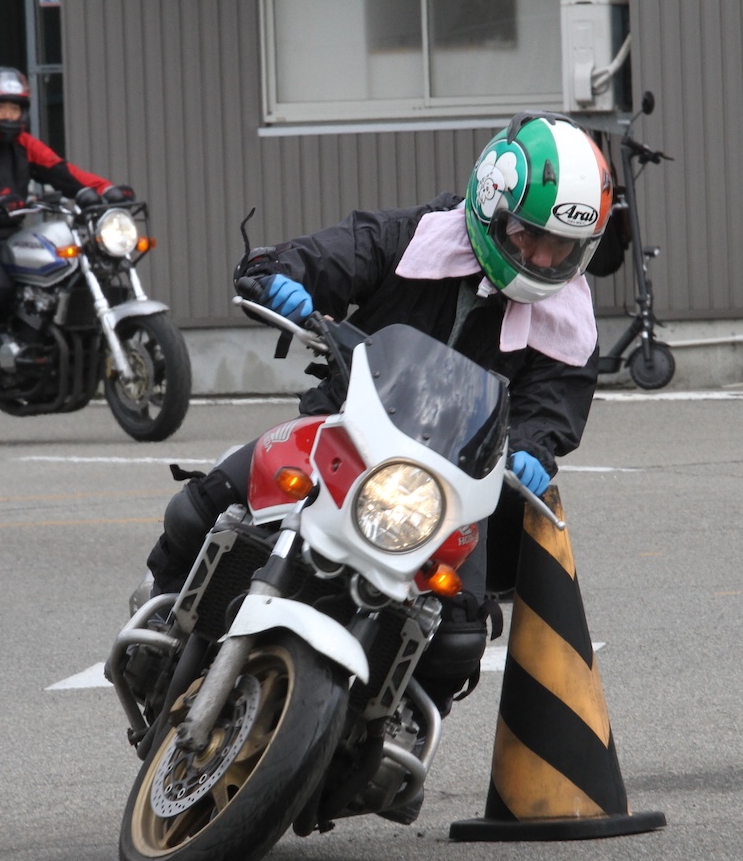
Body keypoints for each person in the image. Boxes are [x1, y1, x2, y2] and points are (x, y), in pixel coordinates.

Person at [144, 111, 612, 706]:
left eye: (561, 247)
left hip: (453, 485)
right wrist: (277, 274)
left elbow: (554, 403)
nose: (543, 260)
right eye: (529, 237)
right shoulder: (411, 237)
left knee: (460, 636)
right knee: (204, 505)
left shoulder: (569, 318)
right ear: (489, 204)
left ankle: (395, 733)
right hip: (345, 429)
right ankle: (161, 625)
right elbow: (328, 256)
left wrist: (532, 449)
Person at [0, 66, 135, 388]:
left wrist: (106, 189)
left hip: (8, 236)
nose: (8, 115)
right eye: (0, 107)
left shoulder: (24, 144)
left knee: (59, 275)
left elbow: (63, 172)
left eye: (14, 108)